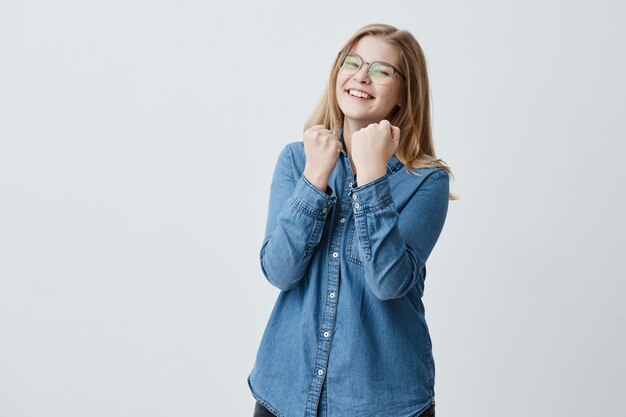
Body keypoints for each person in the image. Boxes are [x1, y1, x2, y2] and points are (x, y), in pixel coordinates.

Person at [248, 23, 456, 417]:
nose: (361, 76)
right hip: (286, 392)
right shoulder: (297, 160)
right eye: (353, 62)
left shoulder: (427, 181)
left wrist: (372, 176)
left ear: (404, 92)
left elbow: (388, 282)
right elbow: (278, 271)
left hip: (381, 402)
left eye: (380, 70)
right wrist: (315, 180)